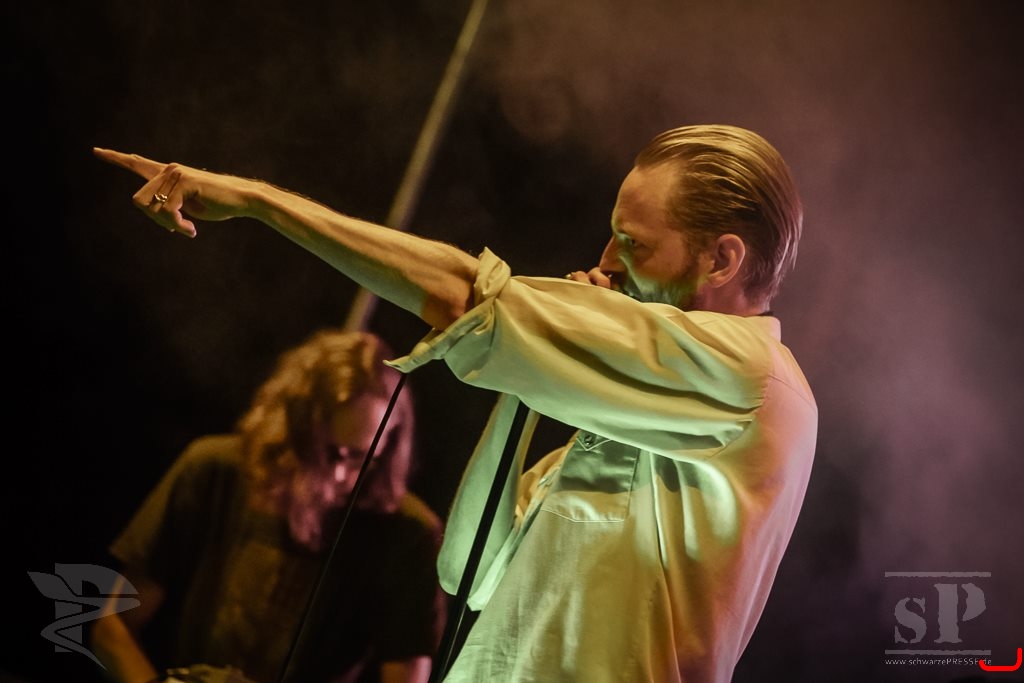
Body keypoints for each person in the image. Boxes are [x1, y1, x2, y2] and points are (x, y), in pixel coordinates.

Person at [94, 123, 818, 682]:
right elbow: (467, 568)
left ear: (721, 259)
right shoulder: (636, 417)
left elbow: (461, 294)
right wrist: (538, 376)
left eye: (634, 243)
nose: (605, 260)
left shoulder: (750, 378)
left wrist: (260, 202)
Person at [90, 329, 446, 683]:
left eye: (359, 457)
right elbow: (113, 625)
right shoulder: (212, 470)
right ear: (292, 428)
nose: (339, 474)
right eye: (325, 452)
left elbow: (407, 676)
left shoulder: (409, 532)